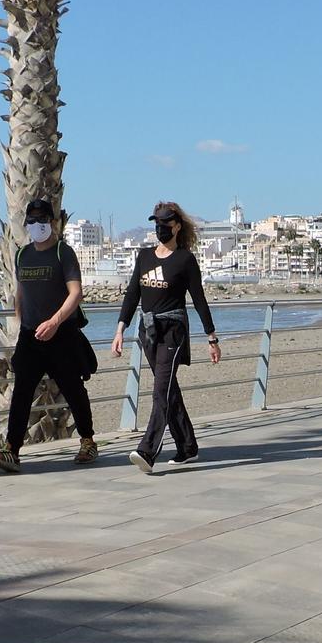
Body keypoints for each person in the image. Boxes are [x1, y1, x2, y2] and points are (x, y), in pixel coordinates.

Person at [0, 197, 98, 472]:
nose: (37, 225)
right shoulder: (23, 254)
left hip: (62, 335)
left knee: (73, 388)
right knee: (22, 391)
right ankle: (12, 450)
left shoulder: (63, 252)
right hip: (30, 337)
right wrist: (23, 322)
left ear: (52, 221)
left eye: (42, 220)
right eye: (32, 221)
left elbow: (76, 293)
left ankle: (88, 440)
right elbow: (21, 293)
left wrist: (55, 322)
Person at [112, 201, 220, 473]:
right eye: (157, 224)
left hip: (173, 330)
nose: (161, 229)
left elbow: (199, 300)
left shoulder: (185, 259)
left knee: (161, 389)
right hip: (148, 331)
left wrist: (211, 337)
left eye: (165, 225)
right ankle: (187, 446)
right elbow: (132, 294)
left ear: (177, 227)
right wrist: (120, 329)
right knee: (169, 388)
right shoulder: (144, 256)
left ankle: (147, 451)